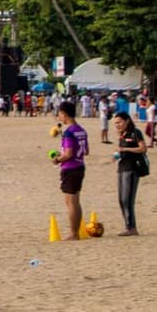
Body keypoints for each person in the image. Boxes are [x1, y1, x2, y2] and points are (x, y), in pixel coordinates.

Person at [113, 112, 151, 236]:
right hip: (121, 167)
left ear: (127, 121)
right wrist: (117, 155)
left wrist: (126, 149)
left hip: (132, 168)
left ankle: (132, 228)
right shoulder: (121, 134)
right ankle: (128, 226)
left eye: (119, 122)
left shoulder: (135, 132)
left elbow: (143, 148)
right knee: (121, 200)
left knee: (127, 199)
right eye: (115, 123)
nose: (117, 125)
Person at [55, 99, 88, 243]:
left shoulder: (69, 132)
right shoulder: (81, 130)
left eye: (59, 114)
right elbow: (86, 151)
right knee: (76, 200)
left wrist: (57, 159)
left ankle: (73, 233)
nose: (59, 117)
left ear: (64, 114)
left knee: (71, 202)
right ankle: (75, 231)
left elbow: (68, 154)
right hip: (80, 165)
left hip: (71, 167)